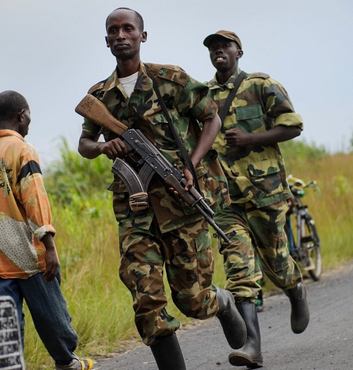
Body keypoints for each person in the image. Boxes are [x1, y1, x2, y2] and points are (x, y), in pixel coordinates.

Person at [77, 8, 245, 370]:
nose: (120, 35)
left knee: (193, 301)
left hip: (180, 204)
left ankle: (223, 302)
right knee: (147, 301)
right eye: (113, 31)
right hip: (134, 208)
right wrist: (106, 147)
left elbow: (211, 117)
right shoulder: (99, 96)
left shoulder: (170, 79)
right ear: (106, 40)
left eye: (128, 29)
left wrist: (191, 164)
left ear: (142, 36)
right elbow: (84, 144)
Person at [202, 30, 309, 368]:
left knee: (276, 264)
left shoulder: (262, 84)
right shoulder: (204, 96)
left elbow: (293, 127)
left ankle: (295, 288)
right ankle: (253, 348)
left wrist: (251, 138)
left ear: (239, 52)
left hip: (266, 194)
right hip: (226, 199)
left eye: (225, 46)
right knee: (240, 269)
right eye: (213, 48)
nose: (219, 51)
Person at [0, 91, 94, 370]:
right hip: (26, 253)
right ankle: (66, 362)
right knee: (53, 317)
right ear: (22, 116)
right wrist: (49, 246)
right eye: (29, 116)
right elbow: (34, 199)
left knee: (3, 328)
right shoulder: (22, 148)